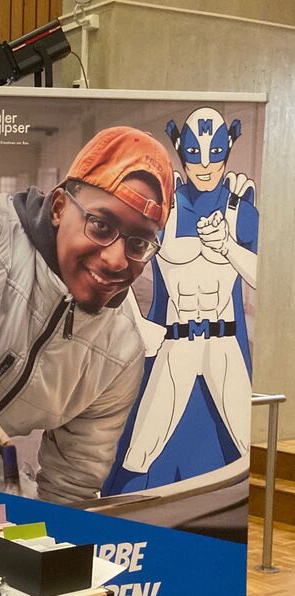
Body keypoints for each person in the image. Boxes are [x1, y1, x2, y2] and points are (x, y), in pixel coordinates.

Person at [0, 126, 175, 503]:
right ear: (60, 207)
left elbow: (71, 484)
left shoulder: (122, 350)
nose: (116, 260)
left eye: (139, 242)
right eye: (101, 226)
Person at [104, 108, 257, 494]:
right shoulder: (164, 211)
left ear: (228, 148)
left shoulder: (240, 208)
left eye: (215, 152)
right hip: (177, 343)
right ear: (179, 149)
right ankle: (118, 513)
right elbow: (115, 265)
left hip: (223, 344)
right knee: (142, 447)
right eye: (194, 153)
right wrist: (139, 325)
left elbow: (261, 277)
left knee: (247, 443)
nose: (205, 165)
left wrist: (228, 246)